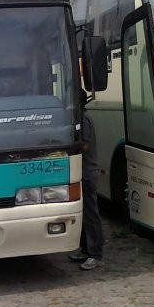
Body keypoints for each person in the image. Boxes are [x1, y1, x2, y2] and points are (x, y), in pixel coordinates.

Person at [69, 88, 103, 270]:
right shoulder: (78, 117)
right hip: (80, 172)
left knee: (91, 214)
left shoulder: (84, 119)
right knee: (82, 214)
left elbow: (84, 146)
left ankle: (95, 254)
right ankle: (85, 248)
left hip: (88, 173)